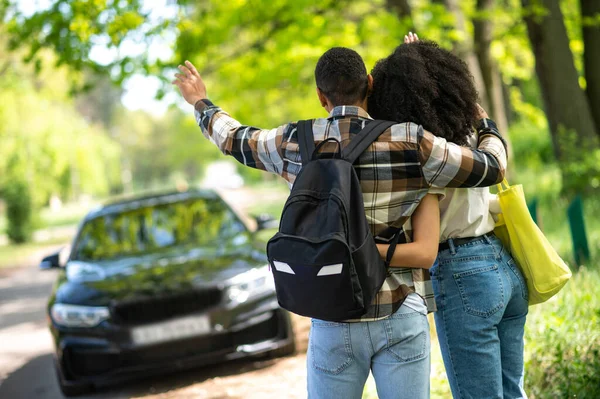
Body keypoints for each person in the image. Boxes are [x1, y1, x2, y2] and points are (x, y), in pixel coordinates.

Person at [172, 46, 507, 398]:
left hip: (333, 314)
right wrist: (485, 124)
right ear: (370, 85)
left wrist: (201, 102)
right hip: (399, 311)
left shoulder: (296, 141)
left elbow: (234, 139)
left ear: (321, 96)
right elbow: (491, 167)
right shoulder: (410, 141)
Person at [369, 36, 528, 399]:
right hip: (502, 263)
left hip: (462, 274)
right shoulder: (470, 135)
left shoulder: (422, 151)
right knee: (511, 393)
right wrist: (423, 60)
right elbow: (497, 158)